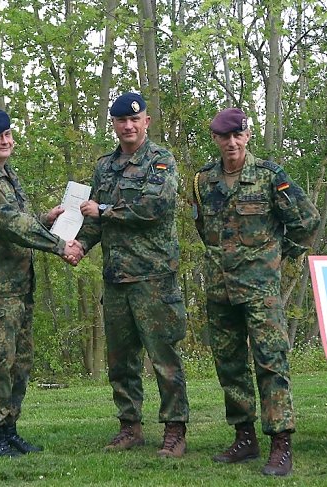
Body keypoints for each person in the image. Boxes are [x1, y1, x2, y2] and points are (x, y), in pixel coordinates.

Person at [191, 108, 320, 476]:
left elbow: (306, 220)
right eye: (224, 137)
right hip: (220, 289)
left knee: (270, 363)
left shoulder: (268, 176)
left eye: (238, 135)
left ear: (247, 136)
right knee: (229, 365)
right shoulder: (203, 180)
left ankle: (281, 444)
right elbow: (204, 227)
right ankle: (244, 438)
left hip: (261, 290)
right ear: (215, 139)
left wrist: (280, 257)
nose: (231, 143)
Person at [0, 108, 84, 457]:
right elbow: (8, 223)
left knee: (19, 361)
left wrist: (47, 219)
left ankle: (9, 429)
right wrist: (59, 244)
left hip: (18, 285)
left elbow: (21, 221)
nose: (6, 141)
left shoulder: (6, 175)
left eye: (8, 134)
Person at [76, 92, 190, 458]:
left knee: (164, 358)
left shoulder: (160, 161)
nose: (128, 126)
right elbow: (94, 219)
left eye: (134, 120)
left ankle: (175, 429)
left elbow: (154, 207)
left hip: (154, 277)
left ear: (146, 122)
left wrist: (105, 209)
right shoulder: (104, 167)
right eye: (121, 120)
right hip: (117, 278)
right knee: (121, 360)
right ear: (114, 124)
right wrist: (78, 244)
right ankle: (130, 426)